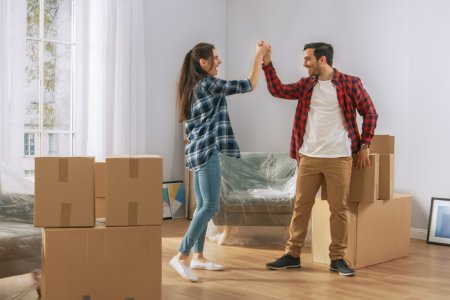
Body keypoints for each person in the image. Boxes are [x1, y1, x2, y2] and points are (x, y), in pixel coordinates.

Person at [262, 42, 378, 276]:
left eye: (308, 59)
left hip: (339, 158)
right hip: (308, 157)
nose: (304, 63)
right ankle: (292, 255)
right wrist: (267, 63)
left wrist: (365, 145)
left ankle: (337, 258)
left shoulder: (350, 83)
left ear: (322, 60)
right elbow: (278, 90)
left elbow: (370, 113)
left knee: (338, 210)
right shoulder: (306, 85)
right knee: (301, 207)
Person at [171, 42, 268, 282]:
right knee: (211, 206)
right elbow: (249, 84)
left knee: (202, 204)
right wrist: (258, 56)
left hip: (195, 152)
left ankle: (198, 256)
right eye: (215, 58)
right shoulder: (208, 84)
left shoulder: (192, 85)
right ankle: (182, 255)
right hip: (206, 152)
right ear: (203, 62)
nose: (219, 61)